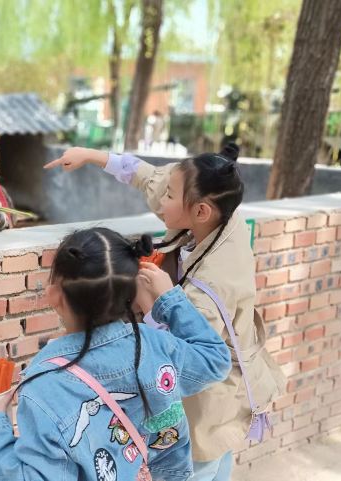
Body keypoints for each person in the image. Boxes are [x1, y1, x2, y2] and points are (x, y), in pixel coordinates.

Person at [44, 144, 286, 481]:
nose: (160, 201)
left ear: (200, 211)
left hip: (204, 409)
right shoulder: (219, 214)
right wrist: (91, 156)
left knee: (203, 464)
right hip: (219, 403)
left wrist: (155, 303)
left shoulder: (211, 285)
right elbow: (149, 178)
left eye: (170, 195)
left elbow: (190, 355)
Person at [0, 227, 231, 481]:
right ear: (130, 292)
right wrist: (169, 298)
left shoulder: (43, 387)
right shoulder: (155, 345)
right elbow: (214, 359)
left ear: (54, 296)